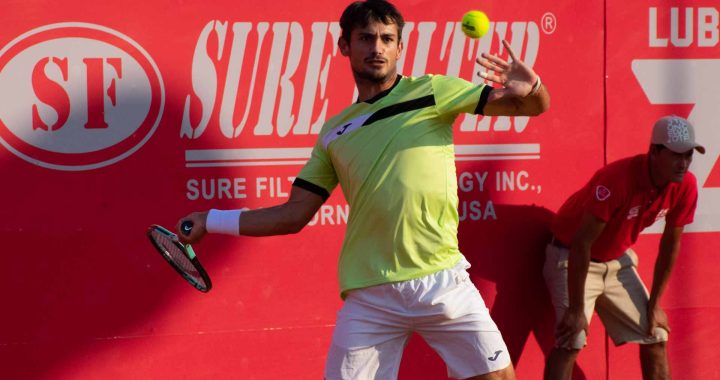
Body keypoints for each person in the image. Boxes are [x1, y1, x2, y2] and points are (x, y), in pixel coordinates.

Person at [177, 1, 549, 378]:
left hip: (442, 280)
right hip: (371, 297)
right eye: (366, 38)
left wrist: (532, 87)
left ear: (400, 48)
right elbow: (292, 215)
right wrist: (211, 219)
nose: (378, 48)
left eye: (388, 39)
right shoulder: (334, 133)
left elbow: (532, 106)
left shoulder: (433, 91)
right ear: (345, 46)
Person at [543, 115, 704, 380]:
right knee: (571, 340)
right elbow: (582, 243)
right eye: (676, 155)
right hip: (570, 257)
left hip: (617, 262)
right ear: (654, 151)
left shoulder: (686, 185)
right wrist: (575, 310)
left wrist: (655, 304)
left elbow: (670, 244)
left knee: (657, 336)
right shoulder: (617, 179)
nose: (683, 163)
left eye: (688, 155)